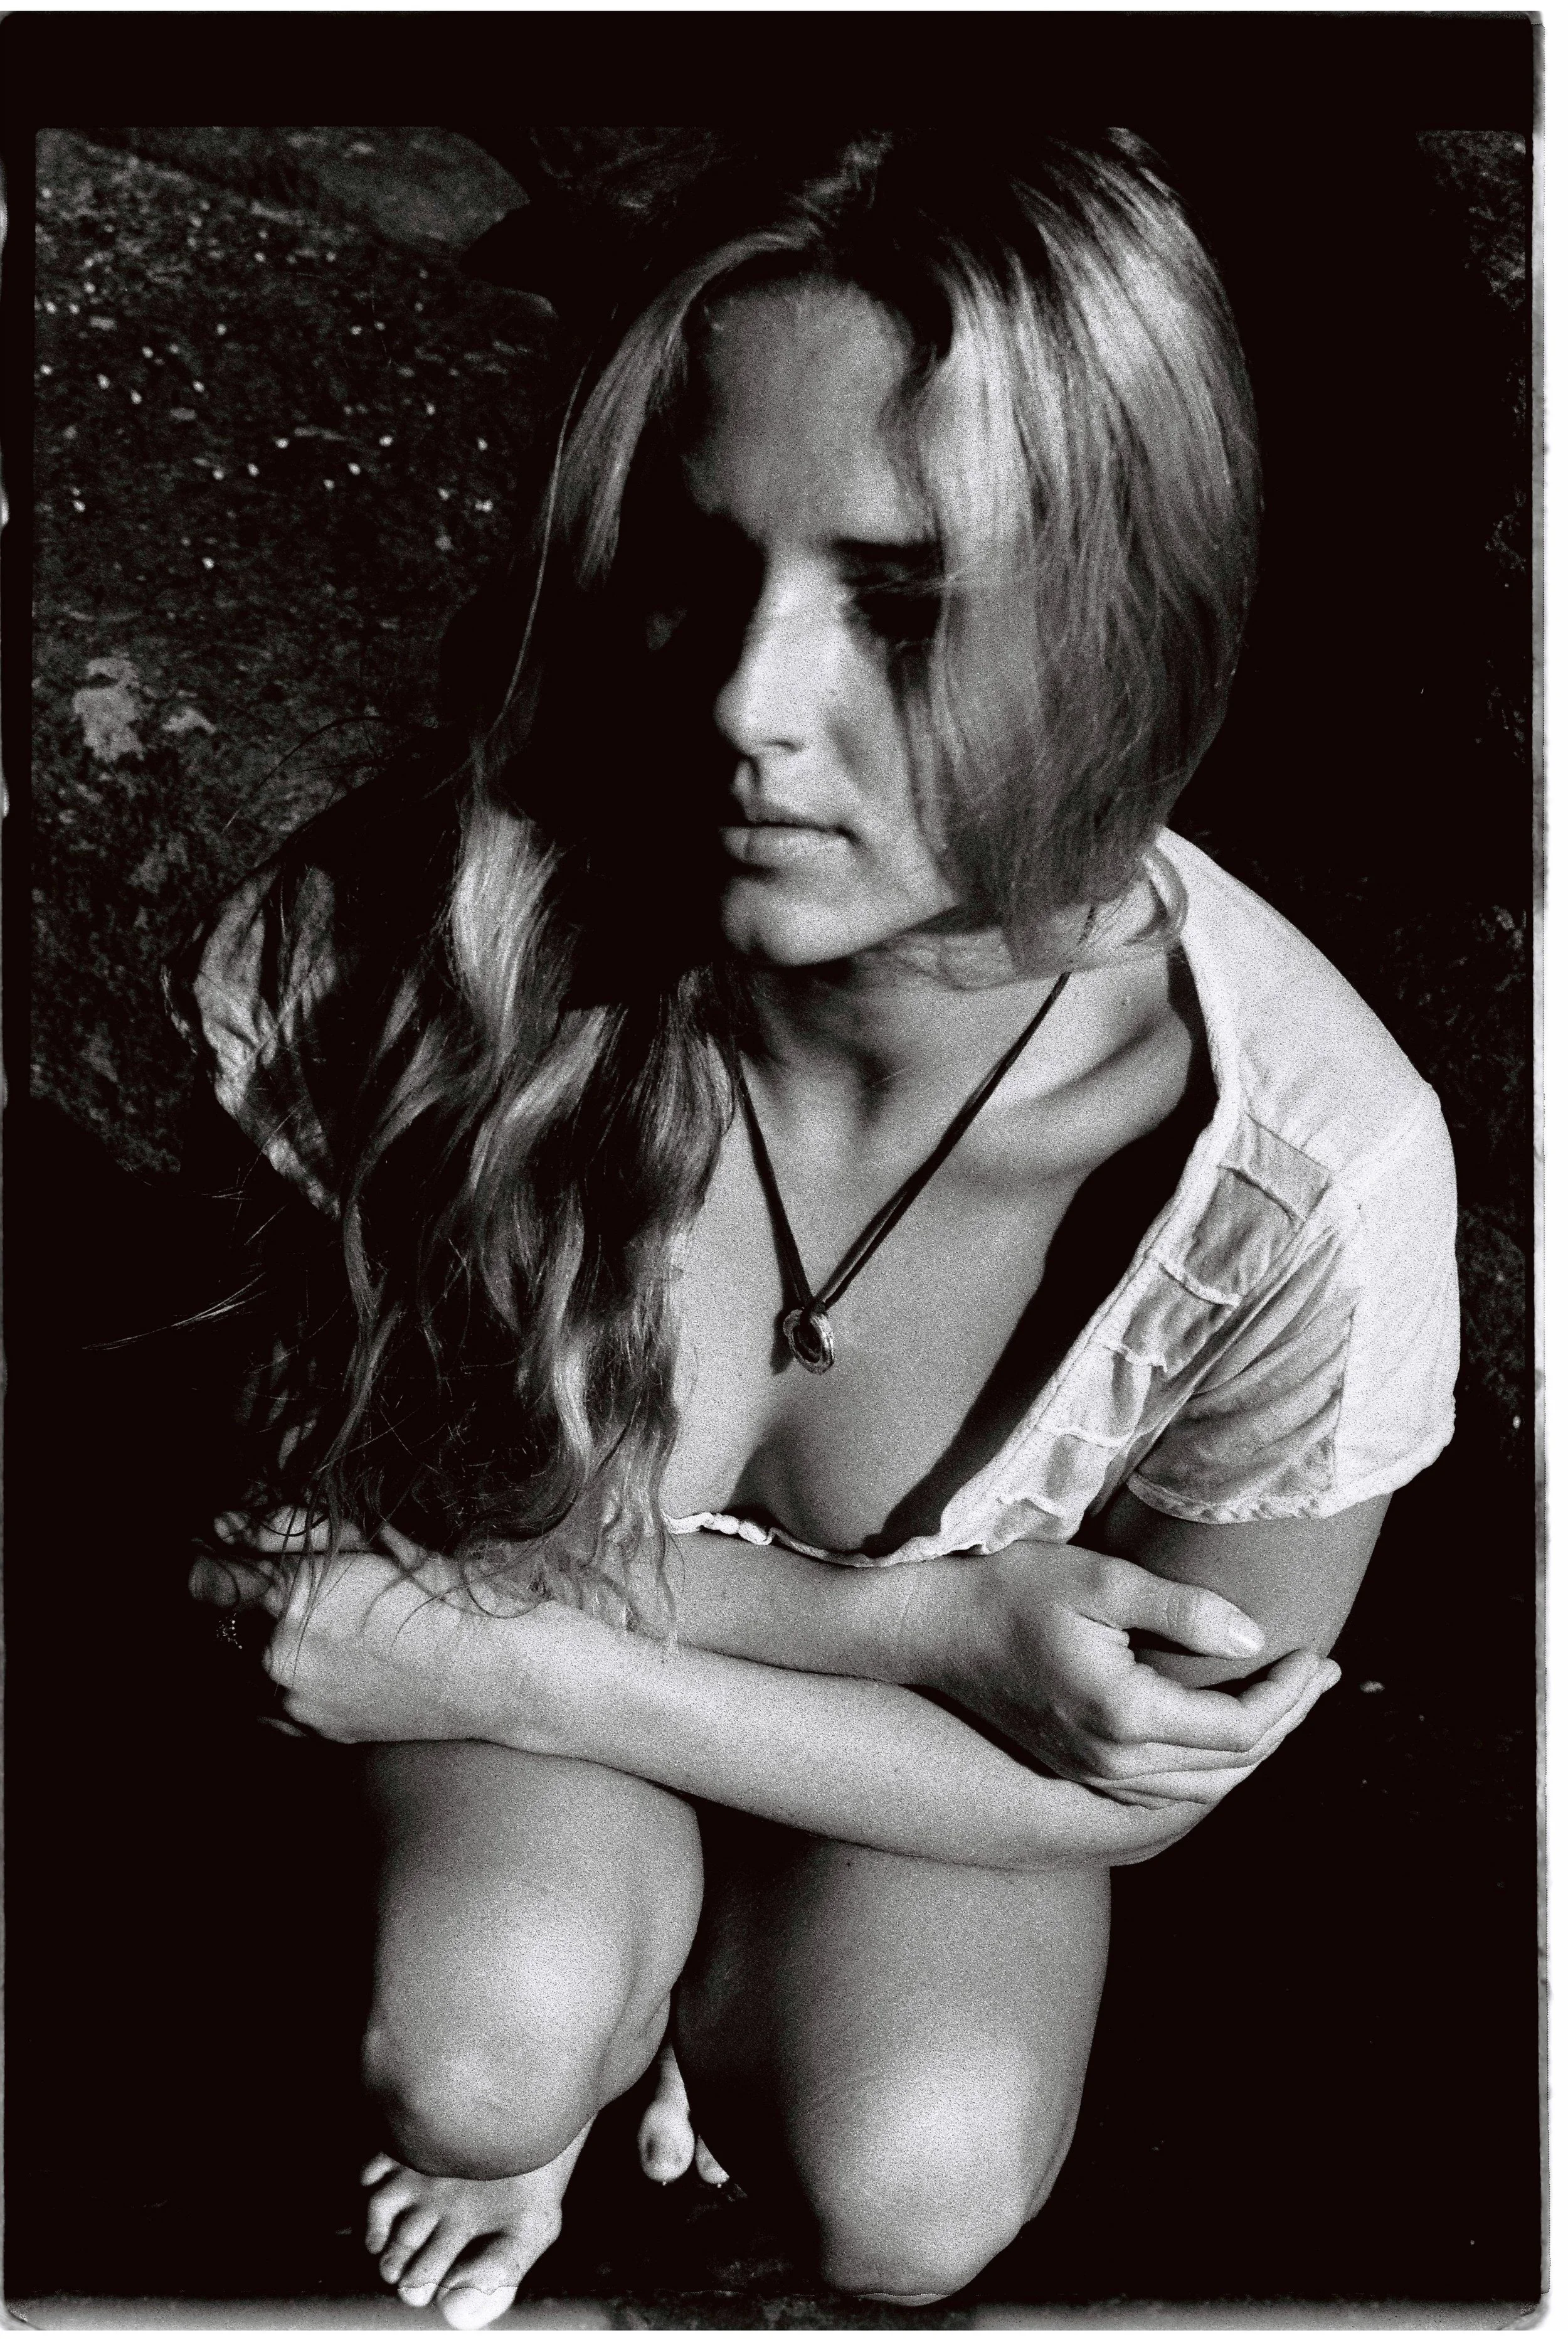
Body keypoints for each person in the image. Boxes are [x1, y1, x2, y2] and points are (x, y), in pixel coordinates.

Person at [176, 130, 1459, 2328]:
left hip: (870, 1760)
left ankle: (708, 2041)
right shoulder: (436, 941)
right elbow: (297, 1552)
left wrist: (508, 1652)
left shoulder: (1300, 1178)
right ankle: (567, 2088)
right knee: (473, 2052)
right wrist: (915, 1630)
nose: (741, 707)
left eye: (900, 599)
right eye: (698, 567)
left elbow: (1129, 1784)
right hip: (791, 1697)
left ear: (1126, 606)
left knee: (909, 2187)